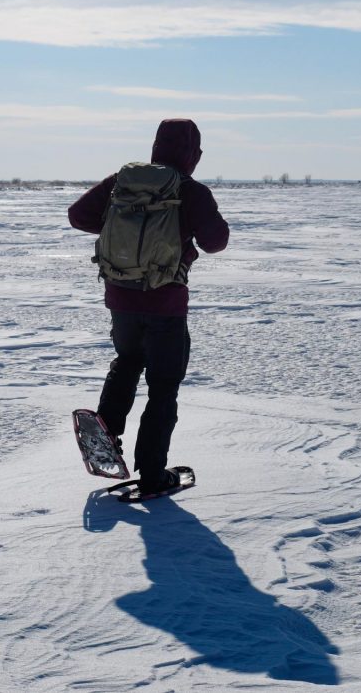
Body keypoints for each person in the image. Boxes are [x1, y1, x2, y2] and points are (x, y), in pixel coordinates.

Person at [68, 119, 229, 492]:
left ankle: (105, 434)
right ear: (195, 155)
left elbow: (78, 216)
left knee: (127, 362)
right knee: (163, 387)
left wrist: (124, 226)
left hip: (121, 297)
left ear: (155, 146)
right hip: (166, 304)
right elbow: (216, 242)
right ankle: (154, 474)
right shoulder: (191, 191)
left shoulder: (121, 182)